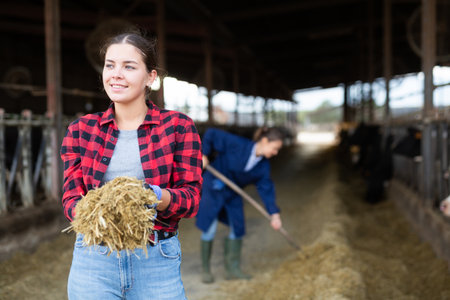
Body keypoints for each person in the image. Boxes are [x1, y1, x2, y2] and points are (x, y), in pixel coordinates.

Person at [60, 31, 202, 299]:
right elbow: (70, 198)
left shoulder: (178, 127)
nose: (116, 74)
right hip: (94, 259)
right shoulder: (81, 129)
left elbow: (192, 199)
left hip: (156, 258)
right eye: (110, 65)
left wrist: (155, 196)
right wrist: (92, 211)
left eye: (129, 67)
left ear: (151, 77)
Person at [195, 127, 284, 283]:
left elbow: (266, 189)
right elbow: (211, 134)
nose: (276, 152)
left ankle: (232, 269)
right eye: (275, 148)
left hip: (233, 192)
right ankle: (206, 270)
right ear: (264, 141)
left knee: (238, 227)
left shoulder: (263, 166)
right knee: (210, 226)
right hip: (213, 186)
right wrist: (203, 154)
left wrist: (274, 214)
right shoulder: (237, 144)